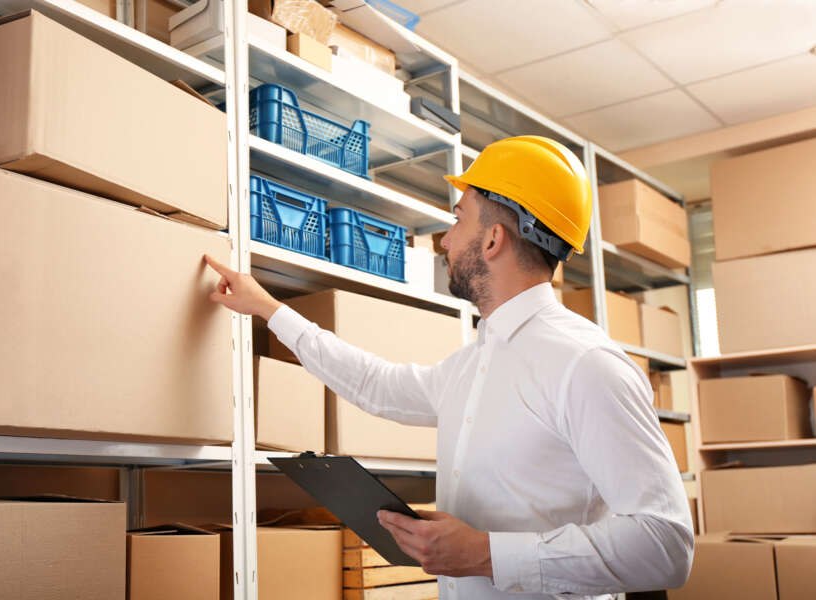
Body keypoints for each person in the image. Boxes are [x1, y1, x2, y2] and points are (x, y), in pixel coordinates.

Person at [204, 136, 693, 599]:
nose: (444, 240)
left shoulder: (585, 365)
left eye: (458, 220)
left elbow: (665, 544)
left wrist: (485, 554)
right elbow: (377, 385)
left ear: (493, 239)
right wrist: (271, 310)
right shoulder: (474, 364)